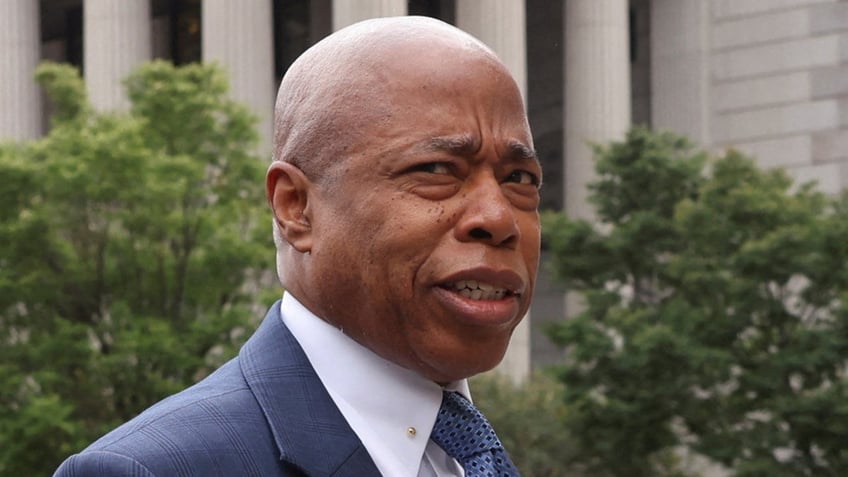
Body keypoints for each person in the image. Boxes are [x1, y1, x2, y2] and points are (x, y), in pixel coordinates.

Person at [54, 15, 541, 477]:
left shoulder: (472, 454)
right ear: (296, 208)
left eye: (518, 178)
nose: (498, 219)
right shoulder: (149, 469)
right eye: (437, 170)